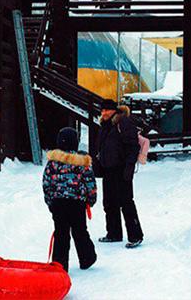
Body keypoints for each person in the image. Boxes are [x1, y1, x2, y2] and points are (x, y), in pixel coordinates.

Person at [42, 127, 98, 272]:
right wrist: (91, 199)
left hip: (58, 203)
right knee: (80, 230)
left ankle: (59, 265)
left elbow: (46, 182)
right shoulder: (82, 163)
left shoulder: (53, 162)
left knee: (61, 233)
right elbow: (90, 182)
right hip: (77, 203)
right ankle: (87, 258)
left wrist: (50, 201)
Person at [96, 99, 144, 248]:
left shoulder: (123, 123)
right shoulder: (105, 125)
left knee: (126, 202)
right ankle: (114, 233)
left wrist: (129, 167)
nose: (103, 113)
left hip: (121, 169)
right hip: (108, 169)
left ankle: (135, 235)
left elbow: (132, 146)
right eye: (102, 110)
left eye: (107, 110)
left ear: (114, 111)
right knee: (109, 203)